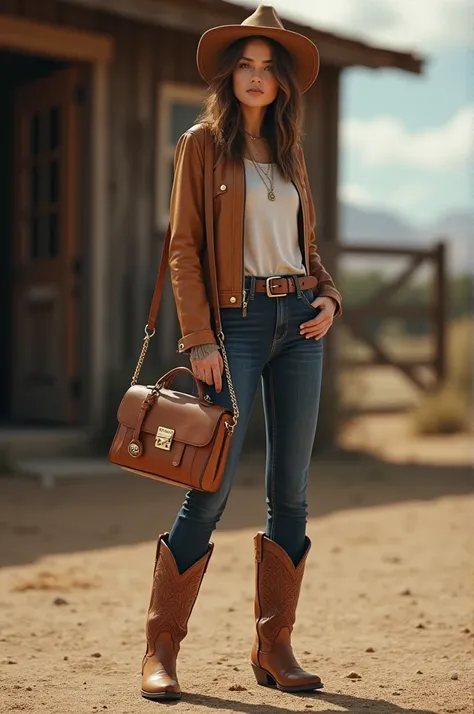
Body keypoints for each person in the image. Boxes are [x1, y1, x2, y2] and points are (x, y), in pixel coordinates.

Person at [141, 4, 342, 702]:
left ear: (282, 81)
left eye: (267, 67)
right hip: (238, 324)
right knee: (210, 488)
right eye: (246, 65)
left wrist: (329, 298)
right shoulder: (200, 145)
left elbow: (307, 250)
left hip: (299, 326)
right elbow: (184, 248)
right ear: (232, 76)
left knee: (291, 491)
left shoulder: (291, 154)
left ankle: (274, 645)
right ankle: (161, 649)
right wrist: (199, 337)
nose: (256, 76)